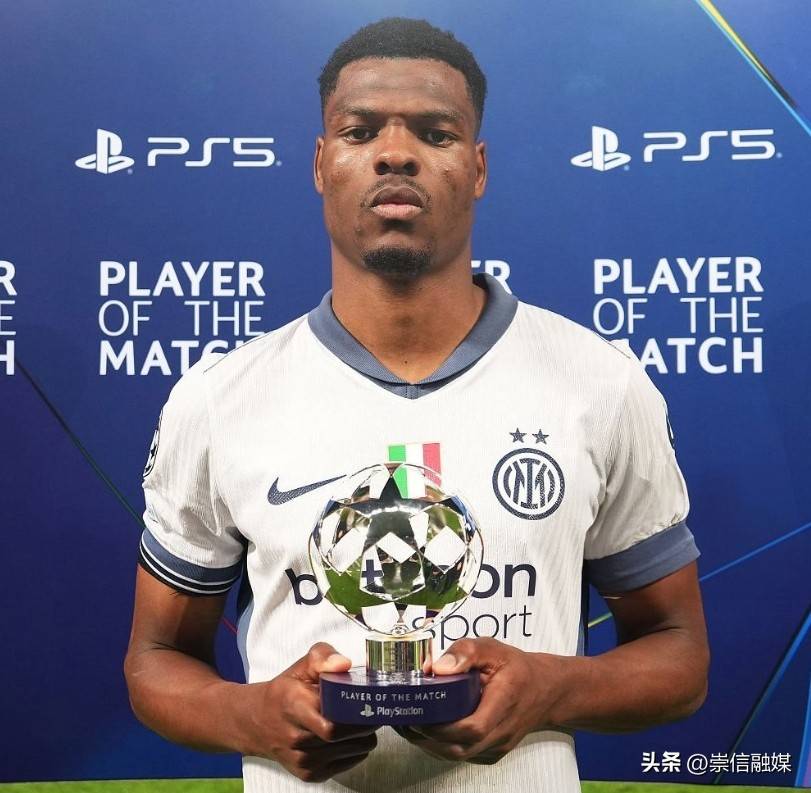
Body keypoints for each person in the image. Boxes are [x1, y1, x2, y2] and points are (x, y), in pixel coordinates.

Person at [124, 17, 709, 793]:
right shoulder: (220, 396)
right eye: (360, 130)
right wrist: (251, 713)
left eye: (435, 133)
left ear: (477, 167)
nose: (395, 153)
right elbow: (155, 659)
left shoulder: (598, 383)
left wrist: (549, 686)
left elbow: (677, 652)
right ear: (321, 163)